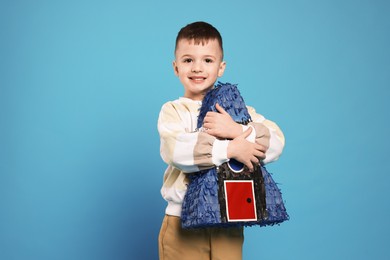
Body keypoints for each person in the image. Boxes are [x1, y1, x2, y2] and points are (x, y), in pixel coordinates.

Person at [157, 21, 285, 260]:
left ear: (221, 67)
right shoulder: (173, 111)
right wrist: (231, 148)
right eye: (188, 60)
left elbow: (276, 142)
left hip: (229, 218)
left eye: (207, 60)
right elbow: (176, 152)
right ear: (176, 67)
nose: (197, 68)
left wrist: (236, 130)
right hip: (181, 222)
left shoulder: (239, 112)